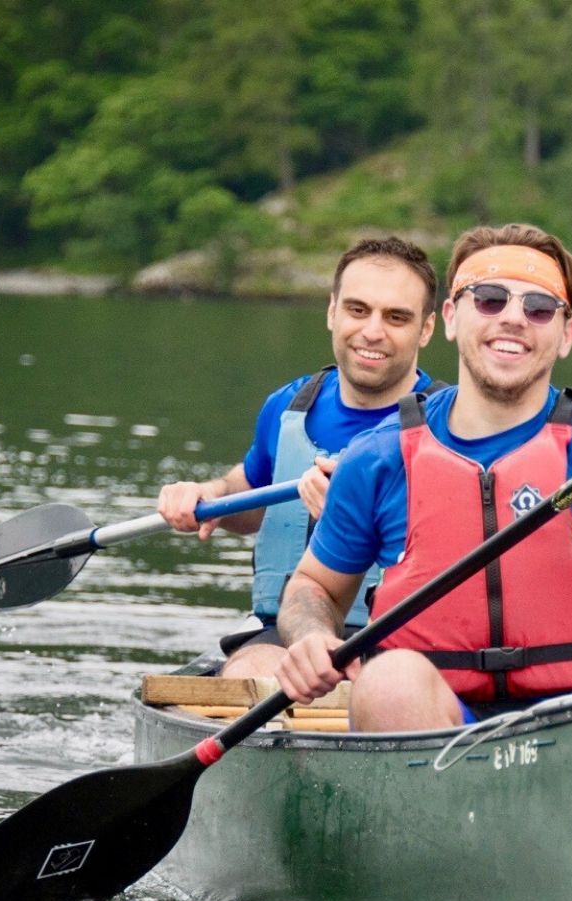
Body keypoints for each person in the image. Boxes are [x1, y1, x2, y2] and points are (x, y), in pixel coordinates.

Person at [271, 222, 572, 732]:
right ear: (451, 317)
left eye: (539, 308)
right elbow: (315, 587)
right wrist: (309, 637)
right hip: (438, 729)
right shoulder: (377, 455)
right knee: (388, 678)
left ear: (566, 333)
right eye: (489, 299)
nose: (513, 320)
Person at [156, 236, 441, 678]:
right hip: (283, 633)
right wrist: (207, 494)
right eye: (357, 310)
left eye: (397, 317)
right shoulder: (290, 405)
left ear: (425, 329)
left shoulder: (451, 426)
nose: (372, 331)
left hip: (403, 641)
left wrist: (356, 514)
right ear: (332, 312)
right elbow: (252, 494)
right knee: (251, 675)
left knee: (379, 685)